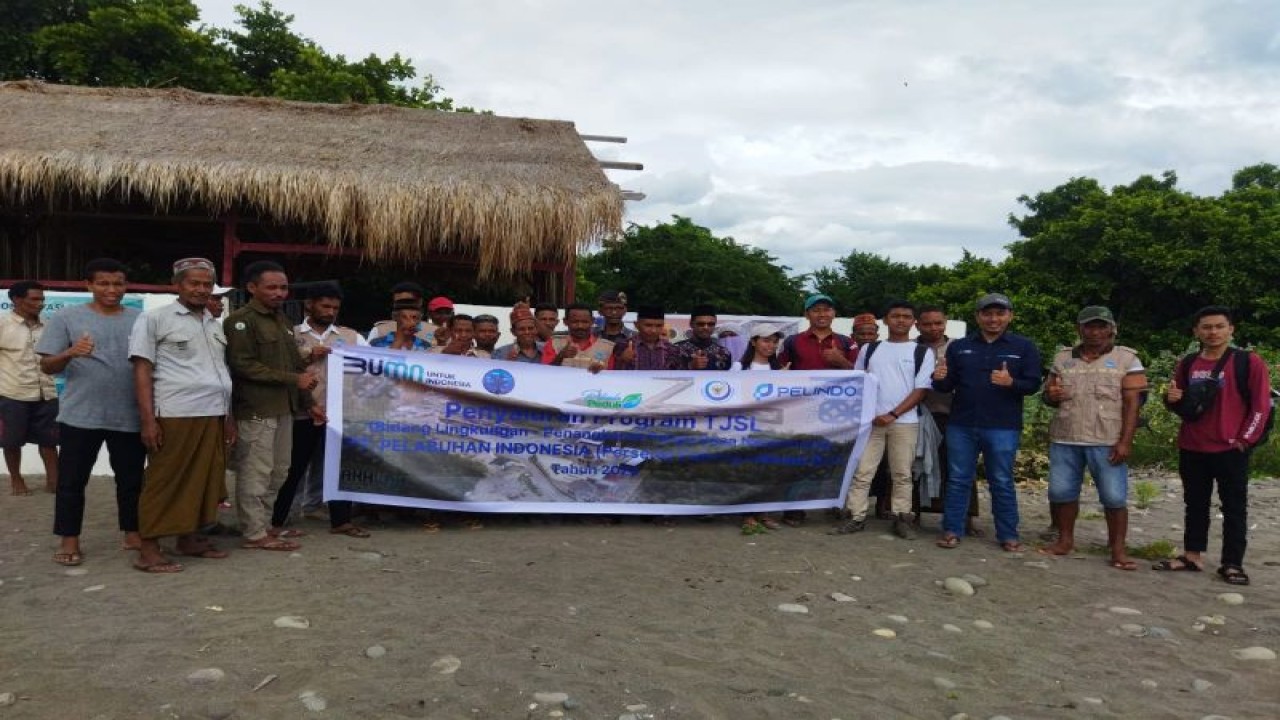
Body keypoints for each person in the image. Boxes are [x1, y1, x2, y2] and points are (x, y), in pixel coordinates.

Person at [128, 258, 235, 573]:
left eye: (207, 285)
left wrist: (228, 416)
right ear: (177, 284)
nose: (201, 290)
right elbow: (142, 370)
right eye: (194, 283)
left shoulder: (212, 324)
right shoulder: (154, 319)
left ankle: (189, 539)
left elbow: (219, 372)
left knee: (204, 479)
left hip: (213, 412)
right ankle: (148, 550)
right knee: (165, 480)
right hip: (175, 413)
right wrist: (149, 420)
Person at [36, 258, 145, 567]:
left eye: (118, 283)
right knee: (71, 481)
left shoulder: (140, 320)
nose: (112, 290)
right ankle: (69, 539)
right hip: (80, 416)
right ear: (89, 286)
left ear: (126, 286)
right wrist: (71, 352)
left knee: (132, 480)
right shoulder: (67, 318)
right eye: (104, 283)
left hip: (129, 415)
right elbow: (47, 365)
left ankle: (132, 532)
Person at [1156, 305, 1271, 586]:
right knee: (1194, 503)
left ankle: (1232, 563)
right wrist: (1171, 399)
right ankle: (1192, 555)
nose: (1213, 332)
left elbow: (1261, 406)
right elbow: (1181, 406)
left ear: (1231, 329)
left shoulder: (1248, 362)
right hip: (1193, 445)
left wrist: (1245, 440)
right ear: (1196, 331)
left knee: (1234, 507)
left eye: (1219, 326)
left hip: (1231, 447)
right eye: (1206, 327)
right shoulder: (1188, 363)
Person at [931, 293, 1041, 551]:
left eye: (999, 313)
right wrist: (938, 378)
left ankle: (1008, 535)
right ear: (977, 317)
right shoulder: (959, 347)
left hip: (1003, 426)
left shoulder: (1024, 347)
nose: (993, 319)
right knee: (958, 478)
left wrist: (1011, 383)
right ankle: (952, 530)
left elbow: (1033, 384)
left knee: (1001, 480)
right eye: (987, 314)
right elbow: (947, 385)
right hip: (962, 423)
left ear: (1010, 316)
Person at [224, 260, 320, 552]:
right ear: (252, 288)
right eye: (272, 287)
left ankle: (264, 526)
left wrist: (309, 402)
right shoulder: (240, 321)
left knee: (279, 471)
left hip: (284, 408)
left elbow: (293, 366)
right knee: (256, 472)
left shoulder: (283, 321)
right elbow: (243, 366)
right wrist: (295, 378)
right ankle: (253, 533)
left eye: (283, 287)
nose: (280, 293)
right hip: (256, 408)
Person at [1040, 306, 1145, 570]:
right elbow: (1047, 394)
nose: (1095, 332)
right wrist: (1050, 396)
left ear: (1112, 329)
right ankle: (1065, 541)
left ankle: (1118, 549)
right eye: (1089, 326)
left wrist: (1125, 441)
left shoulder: (1128, 359)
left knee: (1113, 497)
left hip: (1107, 439)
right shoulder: (1063, 358)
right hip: (1066, 437)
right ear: (1079, 329)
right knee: (1062, 493)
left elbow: (1133, 405)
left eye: (1101, 326)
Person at [270, 283, 371, 539]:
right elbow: (281, 370)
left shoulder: (352, 337)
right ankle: (277, 522)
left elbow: (370, 367)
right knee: (292, 469)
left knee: (339, 468)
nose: (330, 312)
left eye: (335, 308)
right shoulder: (291, 334)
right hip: (302, 413)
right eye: (325, 306)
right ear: (309, 305)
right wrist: (307, 355)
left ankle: (341, 521)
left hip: (339, 414)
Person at [832, 301, 934, 539]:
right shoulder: (870, 350)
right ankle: (856, 516)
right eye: (895, 316)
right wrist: (869, 415)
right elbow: (860, 382)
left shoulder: (922, 352)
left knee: (902, 473)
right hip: (871, 422)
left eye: (906, 316)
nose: (900, 320)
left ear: (914, 322)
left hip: (904, 422)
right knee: (863, 471)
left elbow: (921, 390)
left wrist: (893, 414)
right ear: (885, 320)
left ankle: (901, 518)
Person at [913, 305, 980, 535]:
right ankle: (914, 513)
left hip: (956, 413)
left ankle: (967, 517)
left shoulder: (960, 348)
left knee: (960, 468)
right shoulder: (911, 348)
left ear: (946, 323)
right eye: (927, 324)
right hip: (920, 413)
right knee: (920, 465)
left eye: (938, 323)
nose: (933, 328)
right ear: (918, 325)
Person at [1, 281, 59, 495]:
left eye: (42, 299)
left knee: (50, 440)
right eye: (35, 299)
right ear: (17, 300)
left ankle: (54, 482)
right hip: (13, 393)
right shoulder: (3, 325)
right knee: (12, 441)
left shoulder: (50, 324)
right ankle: (17, 481)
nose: (40, 303)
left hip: (47, 392)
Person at [735, 324, 786, 533]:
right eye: (765, 340)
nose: (770, 345)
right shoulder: (739, 368)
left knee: (768, 470)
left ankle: (764, 512)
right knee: (750, 471)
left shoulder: (780, 368)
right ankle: (747, 514)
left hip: (772, 427)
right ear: (753, 341)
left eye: (774, 341)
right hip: (746, 427)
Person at [778, 294, 858, 371]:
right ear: (806, 315)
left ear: (834, 314)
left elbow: (861, 375)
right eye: (816, 310)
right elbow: (778, 371)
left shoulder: (848, 342)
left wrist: (842, 362)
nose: (822, 314)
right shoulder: (791, 341)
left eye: (827, 310)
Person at [541, 304, 614, 371]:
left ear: (592, 321)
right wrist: (560, 357)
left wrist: (600, 371)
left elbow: (612, 377)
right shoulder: (553, 343)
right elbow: (545, 372)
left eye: (585, 322)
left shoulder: (607, 347)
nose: (580, 326)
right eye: (575, 322)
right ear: (565, 321)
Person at [615, 306, 680, 370]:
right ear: (637, 325)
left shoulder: (672, 350)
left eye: (658, 326)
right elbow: (610, 374)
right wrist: (622, 360)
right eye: (648, 325)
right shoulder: (622, 346)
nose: (653, 330)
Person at [367, 282, 434, 344]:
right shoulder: (379, 330)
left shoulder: (433, 331)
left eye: (407, 301)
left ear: (420, 302)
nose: (402, 305)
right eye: (398, 302)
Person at [675, 304, 733, 371]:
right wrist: (690, 366)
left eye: (711, 324)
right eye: (701, 324)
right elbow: (668, 377)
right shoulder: (675, 350)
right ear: (691, 324)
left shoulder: (724, 353)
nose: (706, 327)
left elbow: (727, 379)